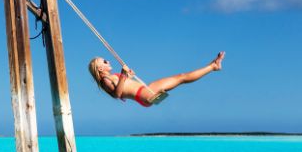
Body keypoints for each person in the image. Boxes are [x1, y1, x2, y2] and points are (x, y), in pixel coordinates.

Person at [88, 52, 225, 107]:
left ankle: (213, 66)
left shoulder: (113, 76)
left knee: (181, 77)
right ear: (100, 69)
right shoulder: (105, 80)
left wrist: (128, 75)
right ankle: (213, 66)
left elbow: (124, 86)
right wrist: (123, 75)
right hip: (143, 95)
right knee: (181, 78)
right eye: (104, 61)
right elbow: (117, 95)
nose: (108, 61)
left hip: (145, 90)